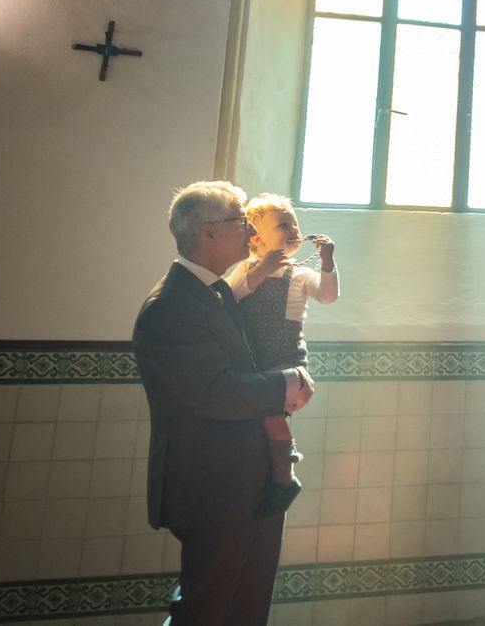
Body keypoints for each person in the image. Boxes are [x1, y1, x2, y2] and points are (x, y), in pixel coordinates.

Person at [133, 181, 315, 626]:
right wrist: (286, 383)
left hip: (249, 481)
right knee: (207, 608)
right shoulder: (171, 305)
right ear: (208, 233)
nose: (249, 231)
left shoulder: (216, 292)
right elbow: (214, 393)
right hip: (212, 486)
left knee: (245, 605)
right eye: (240, 222)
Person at [226, 193, 340, 511]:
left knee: (272, 414)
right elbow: (231, 296)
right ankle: (279, 464)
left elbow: (327, 296)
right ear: (255, 238)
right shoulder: (244, 270)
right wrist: (260, 271)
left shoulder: (299, 274)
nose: (292, 228)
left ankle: (284, 478)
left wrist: (328, 263)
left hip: (286, 360)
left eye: (294, 223)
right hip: (251, 361)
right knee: (262, 418)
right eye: (282, 224)